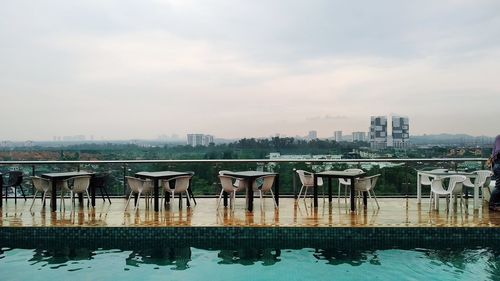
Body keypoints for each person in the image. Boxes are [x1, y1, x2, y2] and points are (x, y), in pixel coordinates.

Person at [489, 135, 500, 211]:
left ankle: (496, 204)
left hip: (497, 165)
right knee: (499, 186)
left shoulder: (497, 138)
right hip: (499, 165)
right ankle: (492, 205)